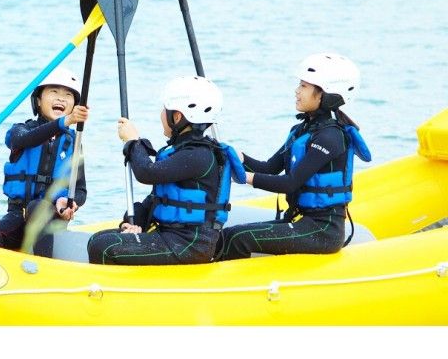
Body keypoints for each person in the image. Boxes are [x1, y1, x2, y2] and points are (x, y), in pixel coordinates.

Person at [218, 52, 371, 261]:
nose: (297, 91)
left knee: (239, 237)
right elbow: (269, 168)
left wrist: (244, 178)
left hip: (323, 231)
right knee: (229, 234)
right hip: (301, 220)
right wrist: (239, 158)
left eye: (304, 86)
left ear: (324, 94)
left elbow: (290, 183)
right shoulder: (302, 131)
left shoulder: (331, 137)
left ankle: (231, 288)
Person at [87, 76, 245, 265]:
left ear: (177, 116)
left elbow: (146, 173)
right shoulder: (182, 150)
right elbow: (156, 198)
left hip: (190, 244)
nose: (162, 113)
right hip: (172, 236)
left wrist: (133, 141)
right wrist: (134, 223)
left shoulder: (198, 155)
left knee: (103, 246)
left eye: (165, 109)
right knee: (97, 239)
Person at [0, 66, 89, 254]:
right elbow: (23, 140)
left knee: (38, 206)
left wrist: (69, 201)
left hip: (52, 219)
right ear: (38, 101)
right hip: (18, 216)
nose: (61, 98)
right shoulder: (20, 131)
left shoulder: (74, 142)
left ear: (75, 105)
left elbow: (80, 189)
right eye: (53, 91)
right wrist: (63, 123)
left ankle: (45, 267)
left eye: (68, 95)